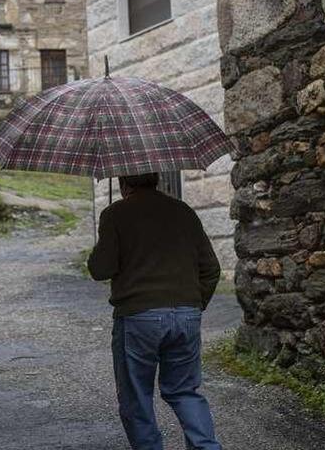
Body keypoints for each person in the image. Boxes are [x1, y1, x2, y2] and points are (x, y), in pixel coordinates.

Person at [88, 173, 222, 450]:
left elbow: (101, 269)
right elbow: (211, 269)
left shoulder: (115, 213)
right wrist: (194, 305)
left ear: (124, 184)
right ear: (157, 179)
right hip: (187, 314)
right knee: (184, 391)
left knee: (136, 397)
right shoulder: (184, 211)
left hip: (139, 318)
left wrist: (101, 245)